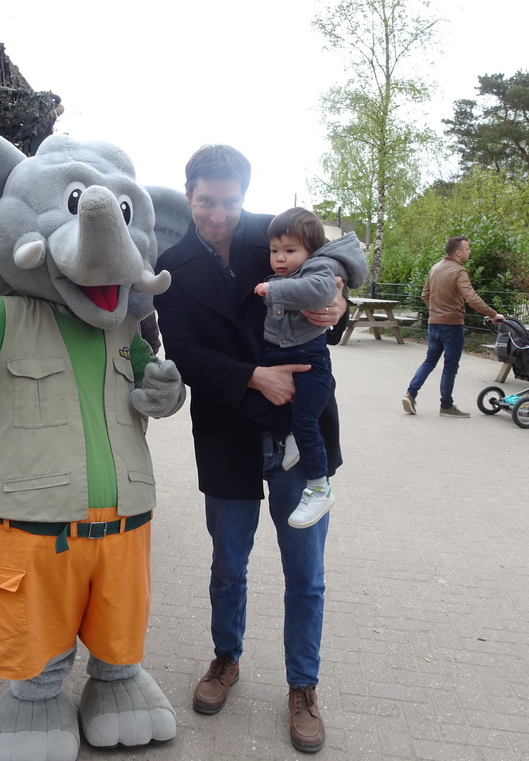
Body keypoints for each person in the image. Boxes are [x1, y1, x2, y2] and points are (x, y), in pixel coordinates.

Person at [154, 144, 348, 754]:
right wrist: (252, 377)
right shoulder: (173, 263)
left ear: (246, 194)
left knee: (305, 575)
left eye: (229, 202)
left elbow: (341, 256)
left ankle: (303, 687)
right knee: (227, 565)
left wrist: (340, 302)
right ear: (189, 195)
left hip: (300, 428)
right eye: (206, 202)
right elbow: (183, 351)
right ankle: (225, 659)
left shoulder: (275, 233)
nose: (217, 215)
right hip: (229, 427)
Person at [243, 207, 366, 529]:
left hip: (310, 363)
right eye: (274, 251)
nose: (279, 259)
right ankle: (290, 432)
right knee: (255, 403)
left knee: (309, 421)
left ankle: (319, 488)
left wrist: (274, 291)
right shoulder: (295, 270)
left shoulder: (319, 267)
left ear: (310, 251)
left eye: (289, 251)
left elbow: (323, 290)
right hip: (276, 359)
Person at [403, 236, 503, 418]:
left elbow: (425, 295)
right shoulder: (459, 271)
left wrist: (436, 312)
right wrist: (493, 314)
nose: (469, 251)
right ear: (458, 252)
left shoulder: (435, 268)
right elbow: (471, 298)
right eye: (467, 249)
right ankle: (446, 406)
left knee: (429, 361)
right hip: (452, 325)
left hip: (434, 324)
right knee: (450, 366)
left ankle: (411, 393)